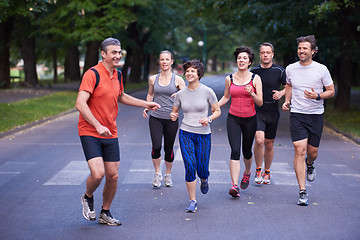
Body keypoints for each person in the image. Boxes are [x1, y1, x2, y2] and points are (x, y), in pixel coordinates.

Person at [76, 37, 160, 225]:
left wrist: (145, 103)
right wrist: (97, 125)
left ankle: (105, 212)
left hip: (110, 131)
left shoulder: (118, 75)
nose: (117, 55)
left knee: (113, 175)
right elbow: (80, 103)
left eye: (119, 52)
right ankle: (88, 196)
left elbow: (120, 96)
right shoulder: (92, 74)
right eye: (113, 52)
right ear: (103, 54)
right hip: (90, 130)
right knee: (98, 174)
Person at [282, 35, 335, 206]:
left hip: (316, 115)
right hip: (297, 114)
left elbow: (331, 91)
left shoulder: (321, 69)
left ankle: (310, 164)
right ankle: (302, 191)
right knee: (299, 150)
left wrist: (318, 96)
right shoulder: (290, 68)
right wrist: (287, 101)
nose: (301, 51)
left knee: (311, 153)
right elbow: (288, 85)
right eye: (299, 48)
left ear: (313, 51)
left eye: (305, 48)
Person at [170, 60, 221, 213]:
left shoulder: (208, 91)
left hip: (204, 134)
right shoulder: (180, 94)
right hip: (186, 133)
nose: (189, 73)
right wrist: (173, 116)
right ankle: (193, 200)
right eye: (187, 71)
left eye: (193, 71)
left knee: (202, 169)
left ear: (199, 74)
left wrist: (209, 118)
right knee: (190, 166)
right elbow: (175, 112)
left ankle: (204, 179)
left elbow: (217, 110)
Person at [218, 46, 263, 198]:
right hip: (233, 119)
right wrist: (215, 106)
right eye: (239, 58)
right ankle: (234, 185)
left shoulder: (255, 79)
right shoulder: (229, 79)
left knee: (247, 152)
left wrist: (252, 94)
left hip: (250, 119)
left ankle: (248, 172)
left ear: (250, 61)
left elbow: (260, 102)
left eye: (244, 58)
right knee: (235, 151)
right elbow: (225, 97)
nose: (241, 60)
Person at [143, 50, 185, 188]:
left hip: (171, 118)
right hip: (155, 117)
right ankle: (157, 173)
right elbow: (150, 94)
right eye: (162, 60)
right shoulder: (153, 79)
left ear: (171, 61)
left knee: (169, 148)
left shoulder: (178, 80)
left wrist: (179, 96)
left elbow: (186, 96)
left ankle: (168, 174)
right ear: (159, 62)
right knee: (156, 146)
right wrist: (146, 106)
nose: (165, 62)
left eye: (167, 59)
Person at [250, 42, 286, 185]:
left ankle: (267, 171)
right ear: (260, 55)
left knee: (269, 144)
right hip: (257, 110)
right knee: (259, 140)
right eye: (263, 52)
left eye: (268, 52)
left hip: (272, 112)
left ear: (272, 55)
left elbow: (288, 87)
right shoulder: (254, 71)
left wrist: (281, 93)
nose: (265, 55)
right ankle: (258, 169)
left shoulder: (279, 71)